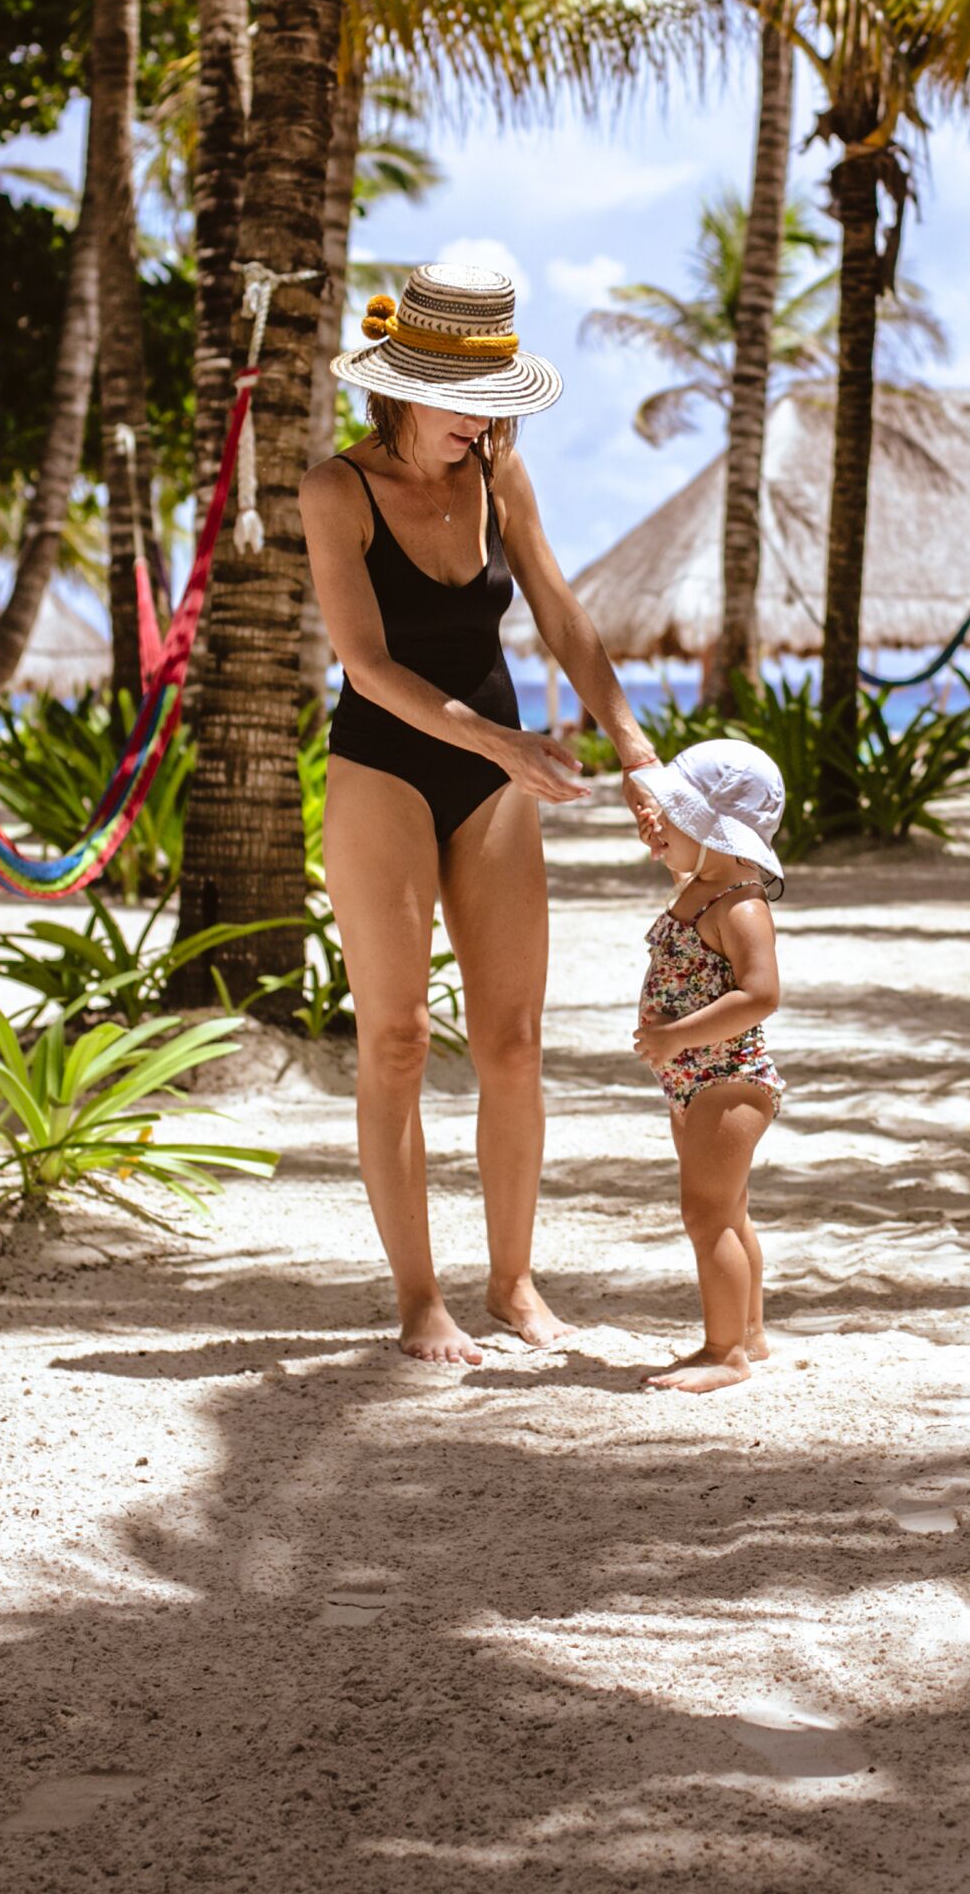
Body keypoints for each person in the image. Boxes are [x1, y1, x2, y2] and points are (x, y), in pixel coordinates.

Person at [306, 266, 661, 1365]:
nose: (483, 416)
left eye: (494, 392)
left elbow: (557, 609)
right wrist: (502, 742)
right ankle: (421, 1298)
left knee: (513, 1040)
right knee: (399, 1039)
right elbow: (364, 664)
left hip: (493, 772)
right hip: (388, 768)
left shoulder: (502, 473)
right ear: (402, 385)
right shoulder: (337, 489)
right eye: (463, 393)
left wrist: (637, 748)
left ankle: (514, 1281)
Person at [624, 739, 790, 1394]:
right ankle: (748, 1332)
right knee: (730, 1209)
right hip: (695, 1081)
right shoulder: (702, 883)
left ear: (713, 828)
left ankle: (723, 1353)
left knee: (707, 1213)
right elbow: (660, 826)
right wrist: (661, 830)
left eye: (672, 814)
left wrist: (676, 1038)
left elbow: (761, 995)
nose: (657, 825)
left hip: (729, 1079)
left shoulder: (741, 905)